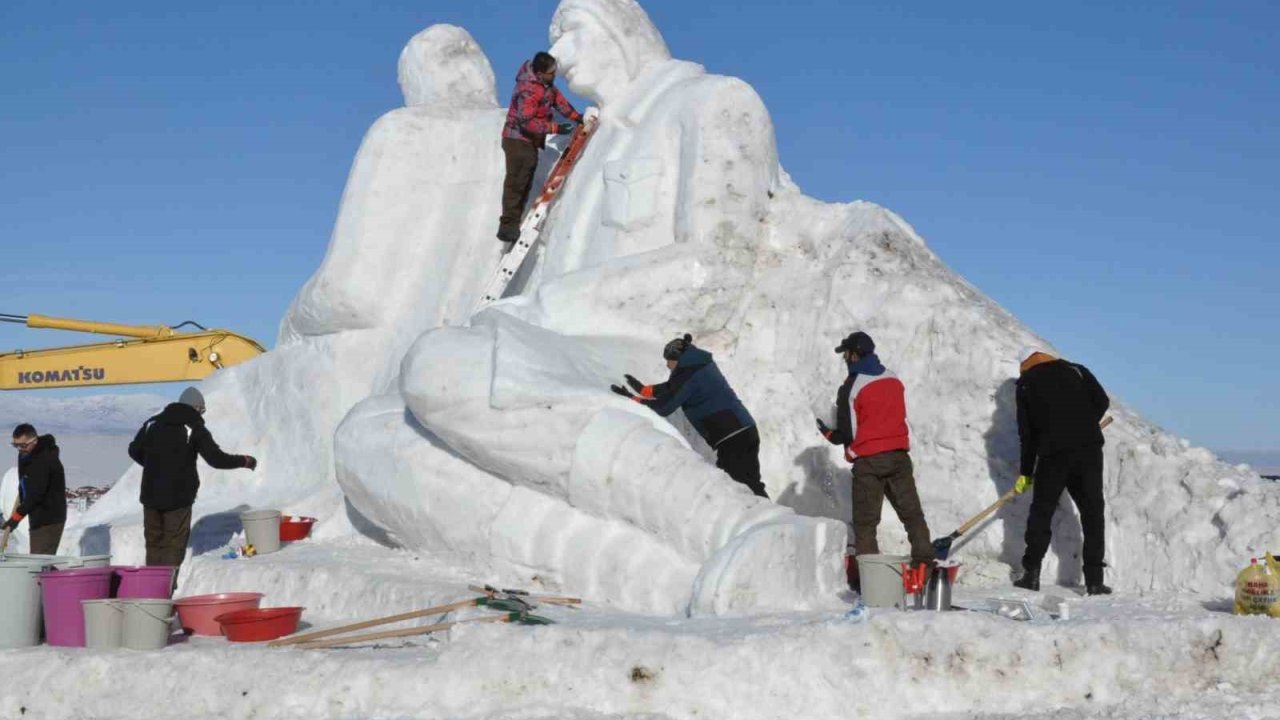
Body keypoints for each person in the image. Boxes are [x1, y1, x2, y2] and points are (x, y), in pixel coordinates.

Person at [817, 332, 933, 589]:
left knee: (866, 524)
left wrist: (826, 431)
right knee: (912, 515)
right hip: (899, 457)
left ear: (854, 354)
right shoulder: (893, 378)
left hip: (869, 463)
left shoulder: (852, 386)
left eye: (846, 354)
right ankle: (925, 568)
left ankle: (870, 582)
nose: (845, 359)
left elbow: (845, 434)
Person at [613, 334, 769, 498]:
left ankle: (767, 520)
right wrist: (645, 390)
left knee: (738, 489)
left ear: (678, 359)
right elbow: (673, 387)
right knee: (749, 485)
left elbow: (665, 407)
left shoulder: (690, 375)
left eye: (669, 360)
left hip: (732, 437)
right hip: (742, 431)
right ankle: (769, 519)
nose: (667, 365)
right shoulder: (698, 365)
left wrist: (634, 399)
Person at [128, 387, 256, 585]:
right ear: (196, 408)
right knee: (173, 544)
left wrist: (154, 465)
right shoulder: (193, 427)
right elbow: (216, 459)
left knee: (154, 543)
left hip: (150, 495)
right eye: (202, 411)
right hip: (178, 497)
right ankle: (165, 590)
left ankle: (151, 590)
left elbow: (134, 449)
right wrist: (245, 461)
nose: (202, 415)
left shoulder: (152, 423)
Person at [1011, 346, 1112, 595]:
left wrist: (1026, 471)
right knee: (1093, 512)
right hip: (1088, 448)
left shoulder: (1026, 383)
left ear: (1025, 364)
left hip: (1054, 453)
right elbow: (1102, 401)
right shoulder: (1077, 370)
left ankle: (1031, 574)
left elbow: (1028, 434)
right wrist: (1085, 422)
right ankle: (1095, 581)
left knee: (1042, 512)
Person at [497, 51, 583, 245]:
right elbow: (526, 122)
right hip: (516, 138)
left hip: (529, 140)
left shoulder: (547, 87)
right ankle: (507, 225)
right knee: (518, 178)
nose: (554, 76)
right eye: (551, 72)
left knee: (527, 175)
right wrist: (556, 128)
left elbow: (560, 103)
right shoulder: (527, 90)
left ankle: (514, 222)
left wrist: (576, 117)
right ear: (540, 72)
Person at [3, 424, 67, 554]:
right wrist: (22, 492)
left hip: (49, 518)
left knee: (40, 560)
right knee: (39, 559)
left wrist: (15, 518)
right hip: (37, 514)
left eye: (23, 445)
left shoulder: (44, 460)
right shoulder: (26, 454)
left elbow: (35, 495)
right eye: (16, 445)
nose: (20, 449)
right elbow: (25, 482)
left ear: (34, 441)